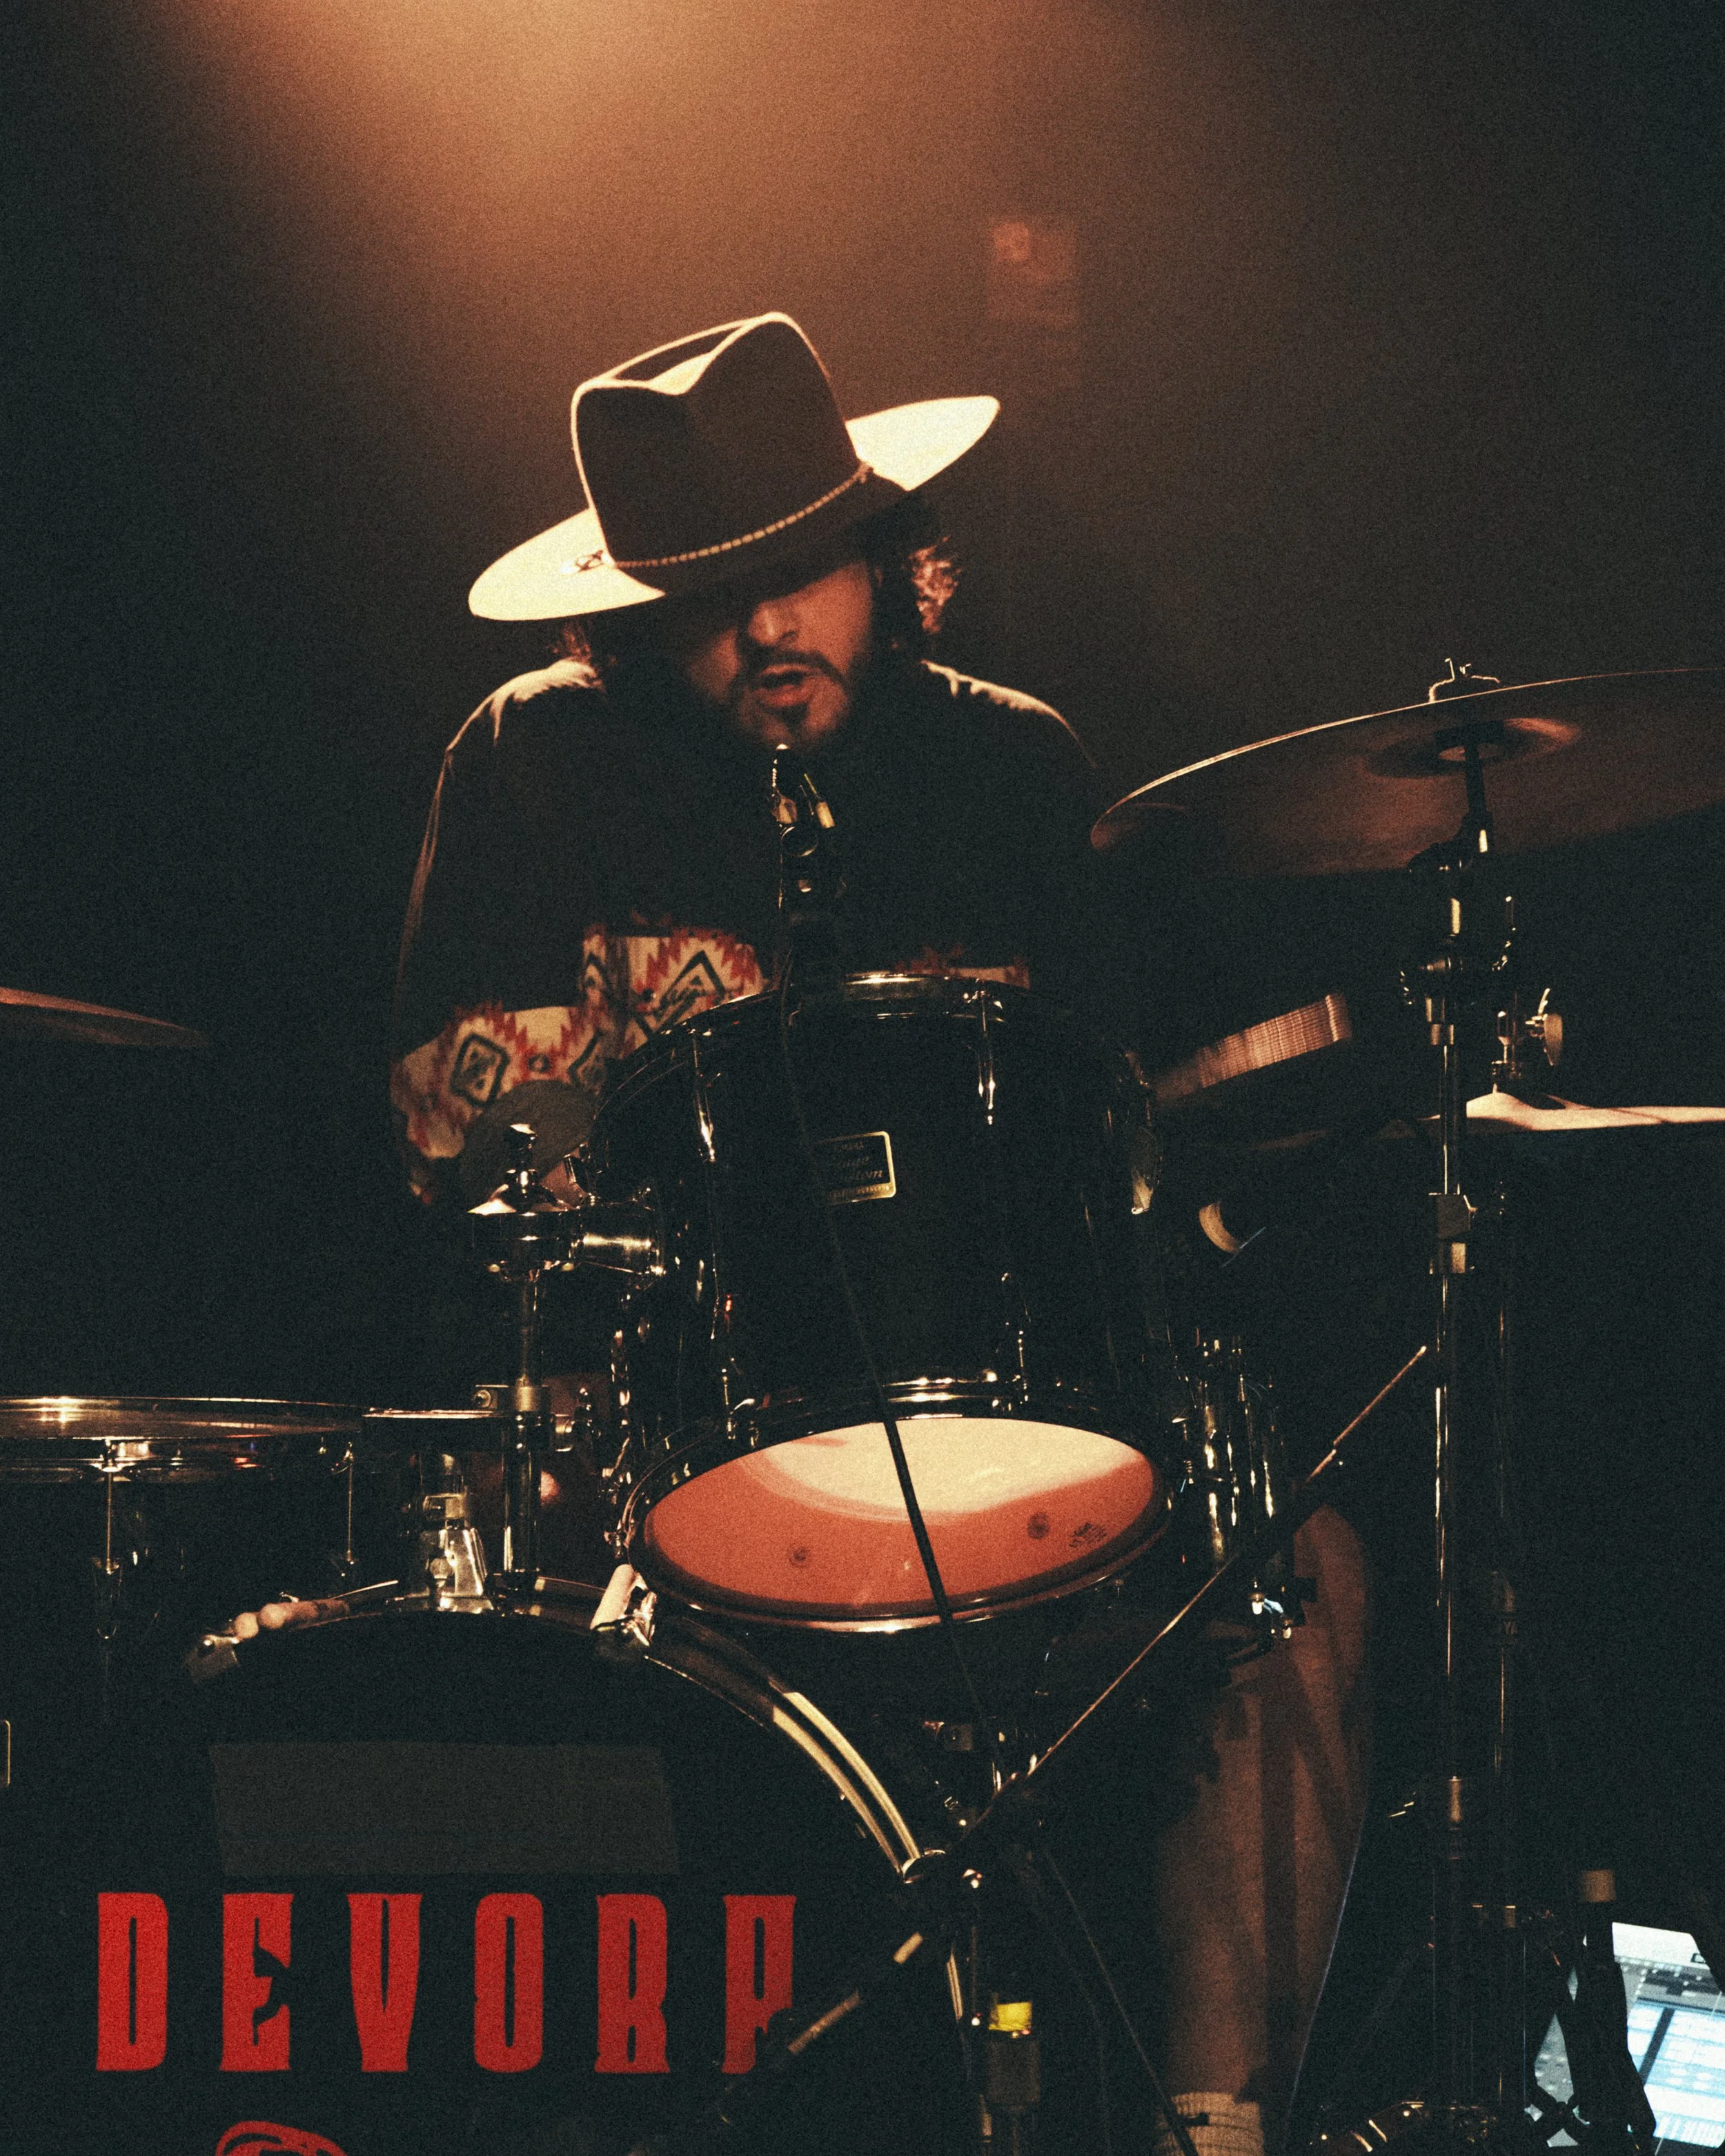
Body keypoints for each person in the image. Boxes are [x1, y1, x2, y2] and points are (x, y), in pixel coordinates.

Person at [247, 311, 1371, 2151]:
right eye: (705, 599)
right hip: (661, 1439)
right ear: (626, 615)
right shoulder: (540, 759)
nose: (761, 634)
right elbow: (456, 1149)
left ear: (883, 555)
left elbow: (1121, 1132)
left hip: (1008, 1421)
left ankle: (1210, 2122)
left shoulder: (1009, 764)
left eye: (797, 578)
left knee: (1300, 1563)